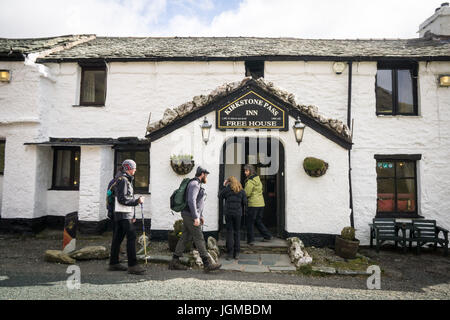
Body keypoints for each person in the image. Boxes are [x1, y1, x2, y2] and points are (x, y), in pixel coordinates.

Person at [169, 166, 222, 272]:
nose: (206, 177)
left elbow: (198, 202)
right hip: (190, 215)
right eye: (206, 175)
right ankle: (207, 264)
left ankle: (174, 261)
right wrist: (195, 217)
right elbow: (191, 201)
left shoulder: (196, 184)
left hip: (189, 214)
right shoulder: (194, 184)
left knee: (185, 237)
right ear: (202, 174)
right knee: (199, 237)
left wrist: (200, 215)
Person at [108, 159, 146, 275]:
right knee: (132, 237)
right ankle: (132, 265)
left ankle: (113, 263)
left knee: (118, 238)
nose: (135, 170)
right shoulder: (123, 180)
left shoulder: (120, 178)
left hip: (120, 214)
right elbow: (122, 199)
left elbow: (123, 198)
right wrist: (137, 201)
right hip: (123, 214)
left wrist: (132, 214)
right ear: (129, 168)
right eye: (134, 168)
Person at [218, 176, 247, 260]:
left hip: (229, 213)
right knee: (237, 232)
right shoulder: (241, 190)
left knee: (229, 232)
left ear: (229, 182)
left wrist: (223, 185)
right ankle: (237, 253)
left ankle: (230, 254)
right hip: (238, 214)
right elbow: (245, 202)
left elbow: (220, 196)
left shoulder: (227, 189)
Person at [243, 164, 272, 245]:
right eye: (244, 171)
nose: (245, 172)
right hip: (261, 203)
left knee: (250, 222)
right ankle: (267, 236)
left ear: (250, 171)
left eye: (246, 171)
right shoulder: (258, 179)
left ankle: (250, 240)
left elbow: (247, 193)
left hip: (253, 204)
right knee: (258, 221)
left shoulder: (250, 181)